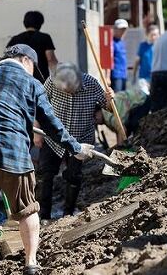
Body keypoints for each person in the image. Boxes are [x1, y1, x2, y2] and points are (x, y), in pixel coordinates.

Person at [0, 46, 93, 275]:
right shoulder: (32, 84)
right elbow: (52, 125)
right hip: (13, 157)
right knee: (28, 210)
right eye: (33, 67)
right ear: (25, 60)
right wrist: (76, 148)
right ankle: (31, 264)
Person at [36, 63, 114, 221]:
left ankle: (68, 214)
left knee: (74, 176)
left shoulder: (91, 84)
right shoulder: (51, 82)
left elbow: (110, 109)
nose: (68, 93)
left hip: (81, 139)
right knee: (46, 175)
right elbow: (39, 106)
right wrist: (36, 132)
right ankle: (43, 215)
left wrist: (110, 100)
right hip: (54, 138)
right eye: (64, 91)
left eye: (71, 90)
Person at [7, 11, 58, 83]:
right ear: (40, 24)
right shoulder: (45, 38)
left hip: (20, 80)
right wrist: (57, 77)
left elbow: (8, 59)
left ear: (25, 23)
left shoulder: (15, 39)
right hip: (41, 80)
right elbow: (50, 59)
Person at [110, 19, 129, 92]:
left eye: (124, 29)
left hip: (124, 74)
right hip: (116, 75)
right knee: (117, 98)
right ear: (115, 29)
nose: (123, 31)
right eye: (120, 29)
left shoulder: (122, 42)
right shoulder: (111, 42)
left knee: (123, 98)